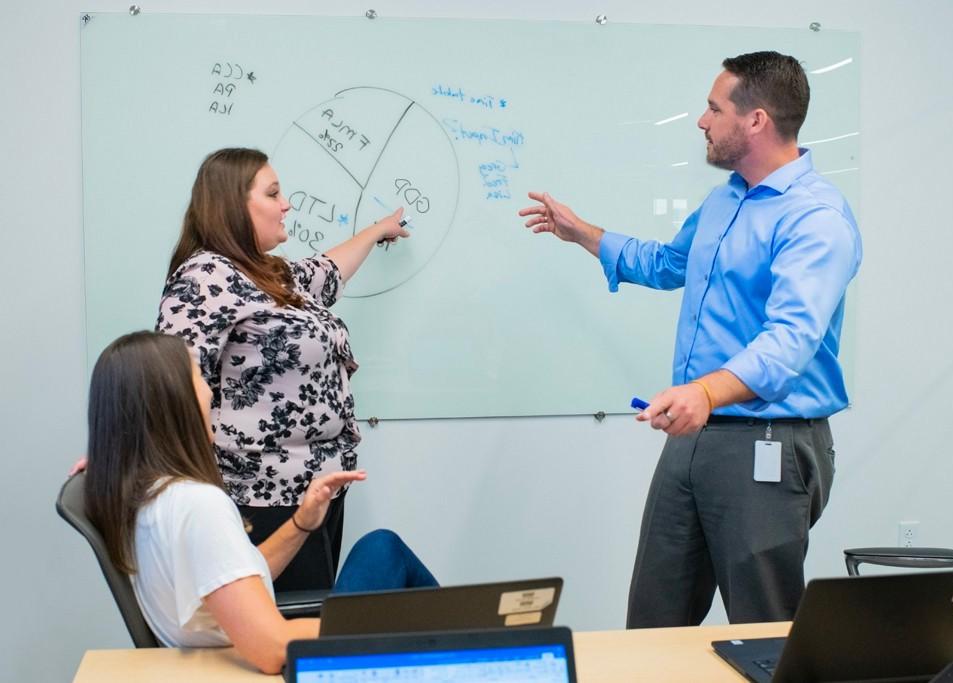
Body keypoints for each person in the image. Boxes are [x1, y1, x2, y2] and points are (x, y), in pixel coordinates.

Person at [519, 51, 862, 627]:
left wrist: (703, 393)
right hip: (694, 436)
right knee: (653, 618)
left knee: (765, 629)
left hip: (767, 443)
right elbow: (668, 263)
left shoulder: (815, 217)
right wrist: (582, 234)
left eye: (712, 107)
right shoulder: (726, 198)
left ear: (755, 120)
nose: (702, 121)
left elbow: (790, 342)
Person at [83, 331, 437, 674]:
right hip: (271, 666)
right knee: (396, 564)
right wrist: (390, 631)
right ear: (175, 401)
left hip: (218, 653)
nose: (211, 390)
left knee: (380, 547)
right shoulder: (198, 505)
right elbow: (272, 648)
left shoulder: (143, 496)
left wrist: (301, 523)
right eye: (200, 378)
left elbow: (232, 579)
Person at [157, 148, 410, 593]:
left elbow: (327, 272)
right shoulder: (205, 277)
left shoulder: (268, 274)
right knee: (295, 630)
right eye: (273, 193)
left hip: (317, 491)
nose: (286, 203)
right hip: (264, 497)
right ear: (233, 205)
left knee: (316, 614)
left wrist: (376, 231)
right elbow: (173, 385)